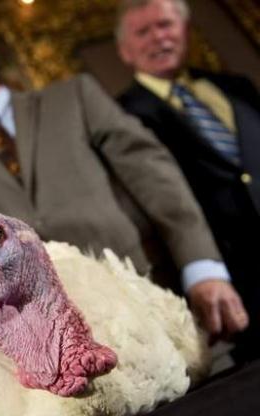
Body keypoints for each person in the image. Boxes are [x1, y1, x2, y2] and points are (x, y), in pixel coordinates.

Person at [0, 18, 249, 349]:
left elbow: (154, 177)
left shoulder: (74, 97)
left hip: (154, 296)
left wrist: (202, 268)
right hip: (63, 343)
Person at [116, 0, 260, 363]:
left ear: (185, 30)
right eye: (143, 31)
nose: (158, 37)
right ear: (125, 50)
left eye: (165, 25)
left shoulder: (235, 86)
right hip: (233, 281)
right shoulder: (121, 116)